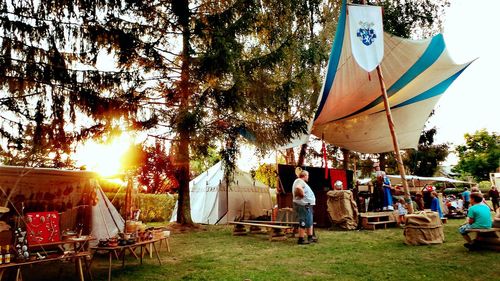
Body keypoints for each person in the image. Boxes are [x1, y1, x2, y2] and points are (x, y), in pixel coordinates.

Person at [292, 168, 317, 245]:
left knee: (309, 222)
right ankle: (301, 239)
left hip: (306, 205)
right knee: (303, 222)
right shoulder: (300, 181)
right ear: (305, 176)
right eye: (308, 175)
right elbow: (298, 188)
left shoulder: (299, 181)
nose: (308, 177)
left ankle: (310, 237)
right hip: (303, 205)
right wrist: (302, 194)